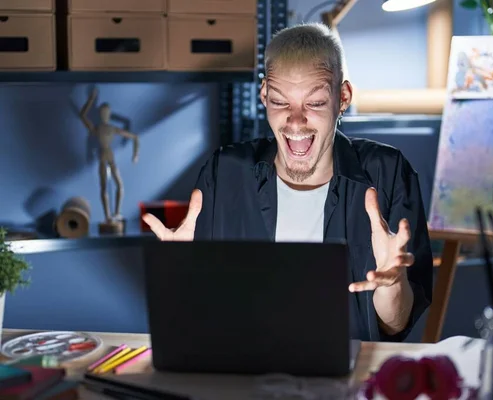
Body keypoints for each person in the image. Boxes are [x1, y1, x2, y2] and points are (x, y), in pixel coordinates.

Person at [143, 23, 433, 342]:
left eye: (315, 103)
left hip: (347, 382)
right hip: (246, 378)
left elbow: (394, 324)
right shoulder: (224, 173)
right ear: (265, 95)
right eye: (281, 102)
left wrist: (391, 284)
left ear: (343, 97)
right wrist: (180, 274)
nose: (295, 120)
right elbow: (199, 316)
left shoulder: (387, 173)